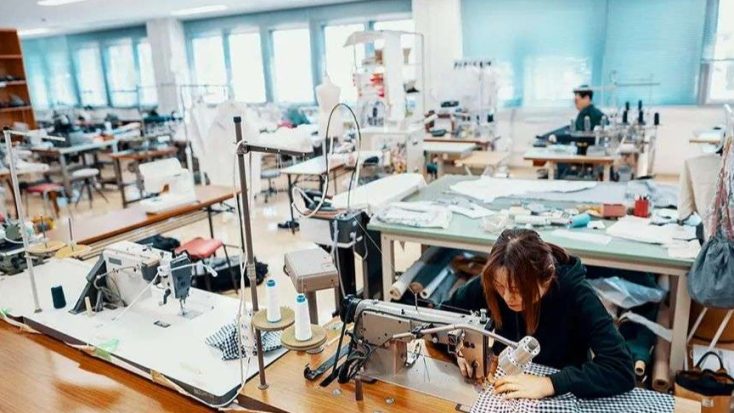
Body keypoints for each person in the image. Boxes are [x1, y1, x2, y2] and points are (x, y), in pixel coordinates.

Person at [441, 229, 635, 399]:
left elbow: (620, 368)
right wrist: (457, 349)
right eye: (500, 287)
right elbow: (440, 318)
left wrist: (549, 384)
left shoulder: (576, 293)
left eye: (517, 289)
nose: (507, 297)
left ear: (547, 277)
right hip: (504, 385)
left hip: (561, 392)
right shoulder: (495, 281)